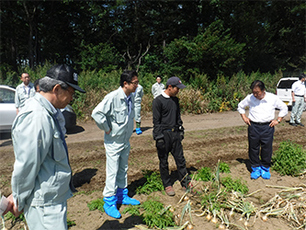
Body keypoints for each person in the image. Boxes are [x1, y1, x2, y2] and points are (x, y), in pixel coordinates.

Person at [4, 64, 85, 229]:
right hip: (45, 206)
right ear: (56, 89)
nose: (72, 98)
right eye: (71, 93)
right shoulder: (37, 116)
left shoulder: (50, 112)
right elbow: (27, 165)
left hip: (51, 198)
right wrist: (19, 199)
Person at [91, 70, 140, 219]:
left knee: (123, 168)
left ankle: (122, 194)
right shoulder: (112, 97)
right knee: (112, 171)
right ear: (125, 83)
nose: (137, 85)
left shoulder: (130, 97)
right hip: (113, 141)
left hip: (125, 140)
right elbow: (96, 113)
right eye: (135, 83)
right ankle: (109, 201)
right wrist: (106, 128)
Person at [237, 80, 288, 180]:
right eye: (254, 92)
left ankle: (265, 168)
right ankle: (255, 168)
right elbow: (240, 106)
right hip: (254, 126)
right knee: (253, 147)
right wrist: (244, 117)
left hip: (267, 126)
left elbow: (284, 108)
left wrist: (278, 120)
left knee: (266, 148)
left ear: (263, 90)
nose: (255, 95)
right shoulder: (250, 98)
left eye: (257, 93)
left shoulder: (272, 98)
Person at [152, 76, 191, 196]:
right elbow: (156, 121)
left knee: (180, 159)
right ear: (170, 87)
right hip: (164, 135)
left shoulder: (175, 100)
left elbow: (178, 117)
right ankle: (167, 184)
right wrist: (159, 137)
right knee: (163, 162)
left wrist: (180, 129)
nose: (178, 91)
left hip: (175, 134)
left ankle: (185, 182)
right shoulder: (158, 101)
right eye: (177, 88)